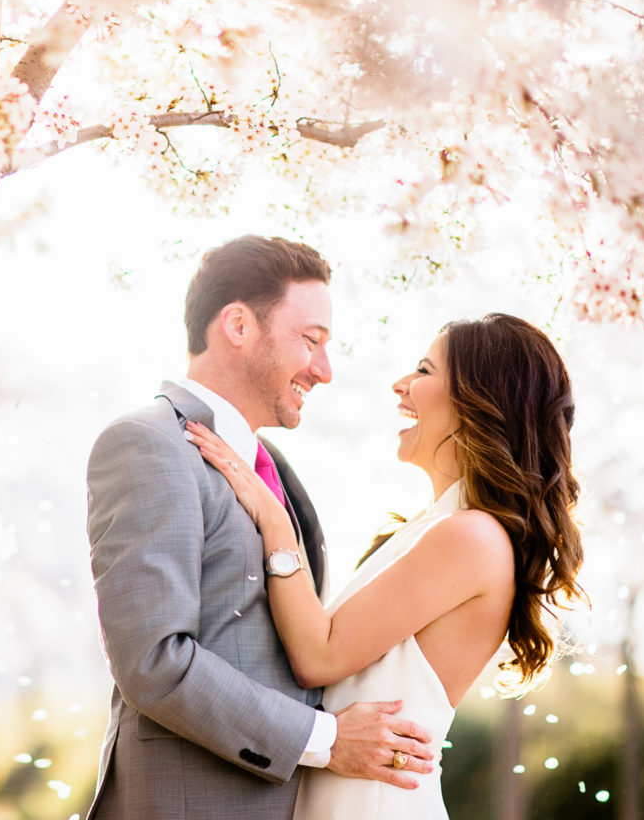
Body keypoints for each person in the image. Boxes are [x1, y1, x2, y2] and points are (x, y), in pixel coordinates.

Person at [84, 236, 438, 820]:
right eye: (311, 341)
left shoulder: (273, 467)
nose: (324, 370)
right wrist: (327, 740)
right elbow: (153, 661)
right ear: (239, 325)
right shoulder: (147, 444)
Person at [187, 313, 586, 819]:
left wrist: (272, 517)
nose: (401, 384)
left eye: (424, 371)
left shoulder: (471, 537)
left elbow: (318, 656)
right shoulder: (434, 529)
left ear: (478, 400)